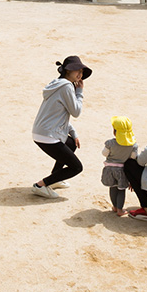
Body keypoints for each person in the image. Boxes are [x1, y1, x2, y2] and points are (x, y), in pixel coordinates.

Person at [31, 56, 89, 198]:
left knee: (71, 144)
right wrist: (79, 93)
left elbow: (57, 116)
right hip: (48, 135)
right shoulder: (67, 86)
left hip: (42, 131)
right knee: (76, 167)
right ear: (68, 70)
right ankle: (40, 185)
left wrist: (73, 133)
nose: (80, 74)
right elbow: (76, 112)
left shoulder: (57, 83)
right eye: (77, 70)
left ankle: (54, 178)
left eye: (81, 71)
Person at [101, 115, 138, 216]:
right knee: (121, 190)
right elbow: (133, 157)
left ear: (114, 131)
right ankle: (120, 210)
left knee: (112, 187)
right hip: (122, 170)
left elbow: (104, 153)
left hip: (109, 169)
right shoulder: (133, 145)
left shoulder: (110, 143)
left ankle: (114, 206)